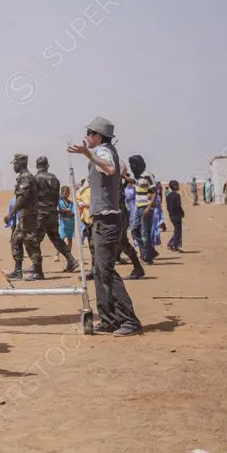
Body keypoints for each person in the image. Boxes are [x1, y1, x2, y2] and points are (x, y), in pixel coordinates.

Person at [68, 117, 142, 336]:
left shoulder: (102, 152)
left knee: (107, 272)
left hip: (107, 220)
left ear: (97, 136)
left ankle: (130, 320)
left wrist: (88, 154)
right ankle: (109, 319)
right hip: (103, 219)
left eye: (89, 134)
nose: (87, 138)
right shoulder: (106, 151)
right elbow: (119, 169)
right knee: (100, 272)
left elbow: (110, 169)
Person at [34, 156, 80, 273]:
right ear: (47, 165)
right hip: (53, 213)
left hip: (40, 214)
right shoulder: (54, 179)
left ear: (36, 166)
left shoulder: (35, 179)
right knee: (56, 238)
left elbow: (33, 198)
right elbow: (56, 198)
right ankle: (71, 260)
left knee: (35, 240)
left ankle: (36, 267)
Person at [4, 154, 44, 280]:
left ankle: (38, 272)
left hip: (28, 215)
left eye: (14, 164)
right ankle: (17, 270)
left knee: (31, 242)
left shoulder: (26, 177)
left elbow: (23, 197)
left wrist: (11, 213)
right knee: (16, 240)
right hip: (23, 215)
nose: (13, 166)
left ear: (19, 163)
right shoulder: (22, 177)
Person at [127, 156, 157, 264]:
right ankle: (150, 251)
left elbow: (154, 192)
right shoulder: (138, 177)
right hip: (138, 207)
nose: (132, 167)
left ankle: (148, 258)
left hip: (146, 208)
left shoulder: (148, 175)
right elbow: (132, 181)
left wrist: (149, 208)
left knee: (145, 233)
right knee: (134, 231)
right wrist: (121, 175)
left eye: (134, 165)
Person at [166, 180, 184, 252]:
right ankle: (173, 244)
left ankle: (174, 245)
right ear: (174, 186)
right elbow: (178, 206)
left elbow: (168, 207)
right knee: (178, 231)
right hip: (177, 215)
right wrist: (182, 213)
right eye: (177, 185)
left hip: (171, 215)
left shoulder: (168, 196)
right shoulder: (177, 195)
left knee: (177, 230)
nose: (179, 186)